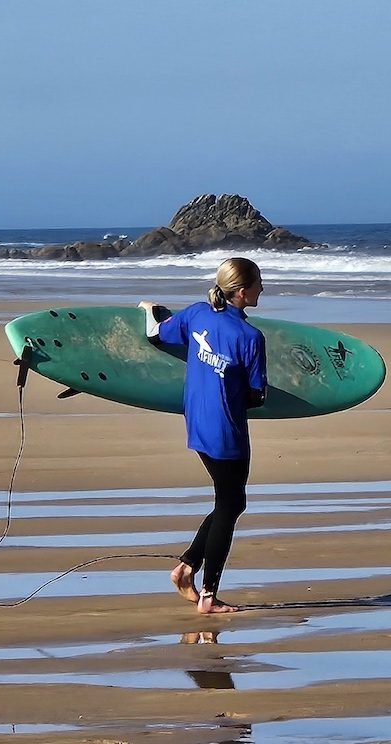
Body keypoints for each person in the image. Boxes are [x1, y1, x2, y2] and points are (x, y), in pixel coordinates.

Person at [140, 257, 267, 615]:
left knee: (230, 502)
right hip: (227, 430)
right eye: (259, 284)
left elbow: (157, 332)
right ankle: (208, 596)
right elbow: (257, 396)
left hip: (196, 422)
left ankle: (185, 569)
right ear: (242, 292)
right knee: (229, 506)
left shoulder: (197, 314)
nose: (263, 289)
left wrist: (152, 309)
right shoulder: (250, 337)